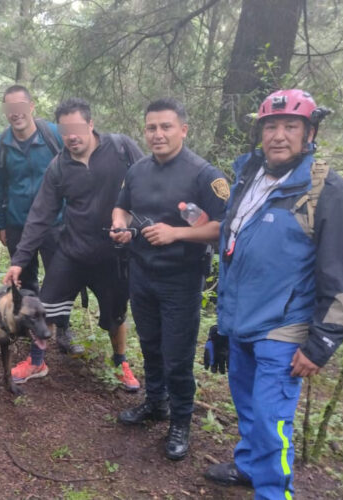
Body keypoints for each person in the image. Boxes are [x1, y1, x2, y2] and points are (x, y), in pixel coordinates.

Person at [204, 89, 343, 499]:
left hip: (285, 328)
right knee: (247, 408)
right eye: (271, 126)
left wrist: (322, 342)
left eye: (290, 126)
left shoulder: (328, 193)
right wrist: (223, 325)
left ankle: (273, 493)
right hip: (242, 320)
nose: (279, 135)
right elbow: (234, 249)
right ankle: (248, 468)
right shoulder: (247, 177)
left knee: (272, 419)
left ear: (309, 133)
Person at [111, 98, 229, 461]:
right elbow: (123, 206)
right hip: (142, 273)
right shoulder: (138, 170)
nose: (158, 134)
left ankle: (181, 422)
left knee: (177, 355)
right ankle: (156, 403)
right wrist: (120, 226)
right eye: (151, 128)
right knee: (150, 345)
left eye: (166, 127)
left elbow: (224, 226)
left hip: (181, 278)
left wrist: (176, 234)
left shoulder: (204, 175)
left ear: (183, 129)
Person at [4, 98, 143, 391]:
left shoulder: (120, 149)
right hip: (73, 251)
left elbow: (147, 186)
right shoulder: (59, 167)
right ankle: (37, 360)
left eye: (78, 128)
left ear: (91, 124)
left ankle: (121, 364)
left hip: (113, 254)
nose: (72, 136)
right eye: (65, 130)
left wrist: (136, 227)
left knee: (115, 314)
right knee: (46, 306)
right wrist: (19, 259)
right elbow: (40, 214)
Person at [0, 85, 63, 294]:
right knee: (24, 282)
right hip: (18, 224)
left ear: (31, 106)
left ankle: (58, 326)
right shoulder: (0, 144)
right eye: (10, 108)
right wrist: (2, 225)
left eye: (20, 105)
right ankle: (28, 325)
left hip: (54, 222)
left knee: (58, 279)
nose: (15, 113)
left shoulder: (55, 134)